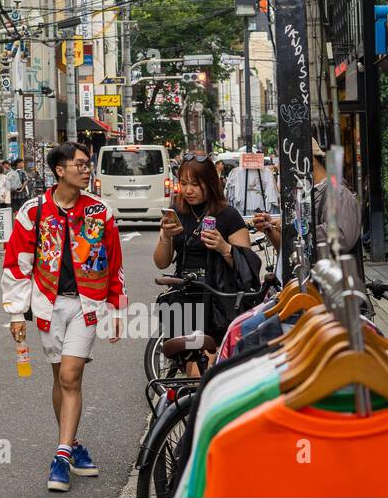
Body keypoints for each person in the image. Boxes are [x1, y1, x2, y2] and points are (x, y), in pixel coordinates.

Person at [2, 142, 126, 492]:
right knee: (61, 378)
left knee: (71, 375)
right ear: (60, 170)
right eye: (81, 165)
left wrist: (116, 308)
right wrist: (15, 313)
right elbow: (17, 264)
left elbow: (114, 265)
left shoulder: (101, 212)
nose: (87, 170)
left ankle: (60, 458)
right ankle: (72, 445)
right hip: (47, 305)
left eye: (88, 165)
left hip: (87, 305)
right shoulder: (33, 211)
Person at [153, 152, 255, 349]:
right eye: (183, 183)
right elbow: (161, 262)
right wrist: (165, 236)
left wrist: (224, 248)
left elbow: (249, 265)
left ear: (209, 183)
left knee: (210, 360)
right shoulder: (177, 212)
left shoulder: (228, 215)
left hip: (218, 298)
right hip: (184, 295)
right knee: (189, 360)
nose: (188, 190)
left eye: (195, 184)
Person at [254, 139, 363, 277]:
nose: (285, 170)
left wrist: (292, 227)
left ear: (308, 160)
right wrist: (270, 229)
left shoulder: (337, 194)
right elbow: (291, 248)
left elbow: (340, 239)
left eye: (289, 163)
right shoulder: (305, 194)